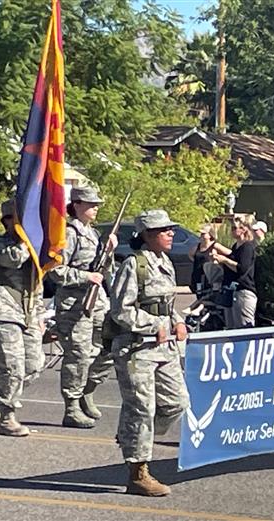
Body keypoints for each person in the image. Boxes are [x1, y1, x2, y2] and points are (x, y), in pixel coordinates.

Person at [110, 209, 189, 497]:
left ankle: (131, 434)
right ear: (147, 235)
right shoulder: (133, 264)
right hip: (137, 348)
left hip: (164, 348)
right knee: (142, 409)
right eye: (163, 230)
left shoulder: (164, 262)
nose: (170, 234)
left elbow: (167, 305)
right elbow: (121, 310)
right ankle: (138, 473)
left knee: (177, 403)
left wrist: (178, 321)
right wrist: (154, 324)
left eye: (171, 229)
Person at [47, 186, 117, 429]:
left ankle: (88, 388)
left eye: (97, 203)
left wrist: (109, 251)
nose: (96, 207)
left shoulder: (94, 234)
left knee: (108, 345)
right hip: (74, 304)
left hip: (97, 301)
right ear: (76, 205)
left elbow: (105, 272)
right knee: (77, 355)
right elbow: (56, 270)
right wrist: (85, 277)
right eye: (90, 203)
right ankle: (72, 407)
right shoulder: (68, 233)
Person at [0, 199, 45, 437]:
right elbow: (14, 259)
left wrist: (39, 315)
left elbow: (38, 283)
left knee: (34, 366)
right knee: (12, 366)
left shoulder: (36, 247)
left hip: (27, 313)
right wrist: (29, 241)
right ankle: (6, 417)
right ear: (7, 222)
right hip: (1, 311)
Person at [211, 217, 257, 329]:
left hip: (243, 291)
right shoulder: (236, 246)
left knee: (243, 328)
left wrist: (225, 260)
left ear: (244, 230)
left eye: (234, 228)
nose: (232, 231)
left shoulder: (247, 247)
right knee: (231, 328)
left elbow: (242, 269)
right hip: (232, 291)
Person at [188, 224, 228, 294]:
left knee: (210, 297)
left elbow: (229, 253)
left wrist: (219, 260)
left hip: (209, 278)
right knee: (199, 295)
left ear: (210, 235)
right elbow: (190, 255)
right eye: (201, 234)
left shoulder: (215, 245)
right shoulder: (197, 246)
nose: (201, 236)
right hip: (198, 276)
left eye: (204, 234)